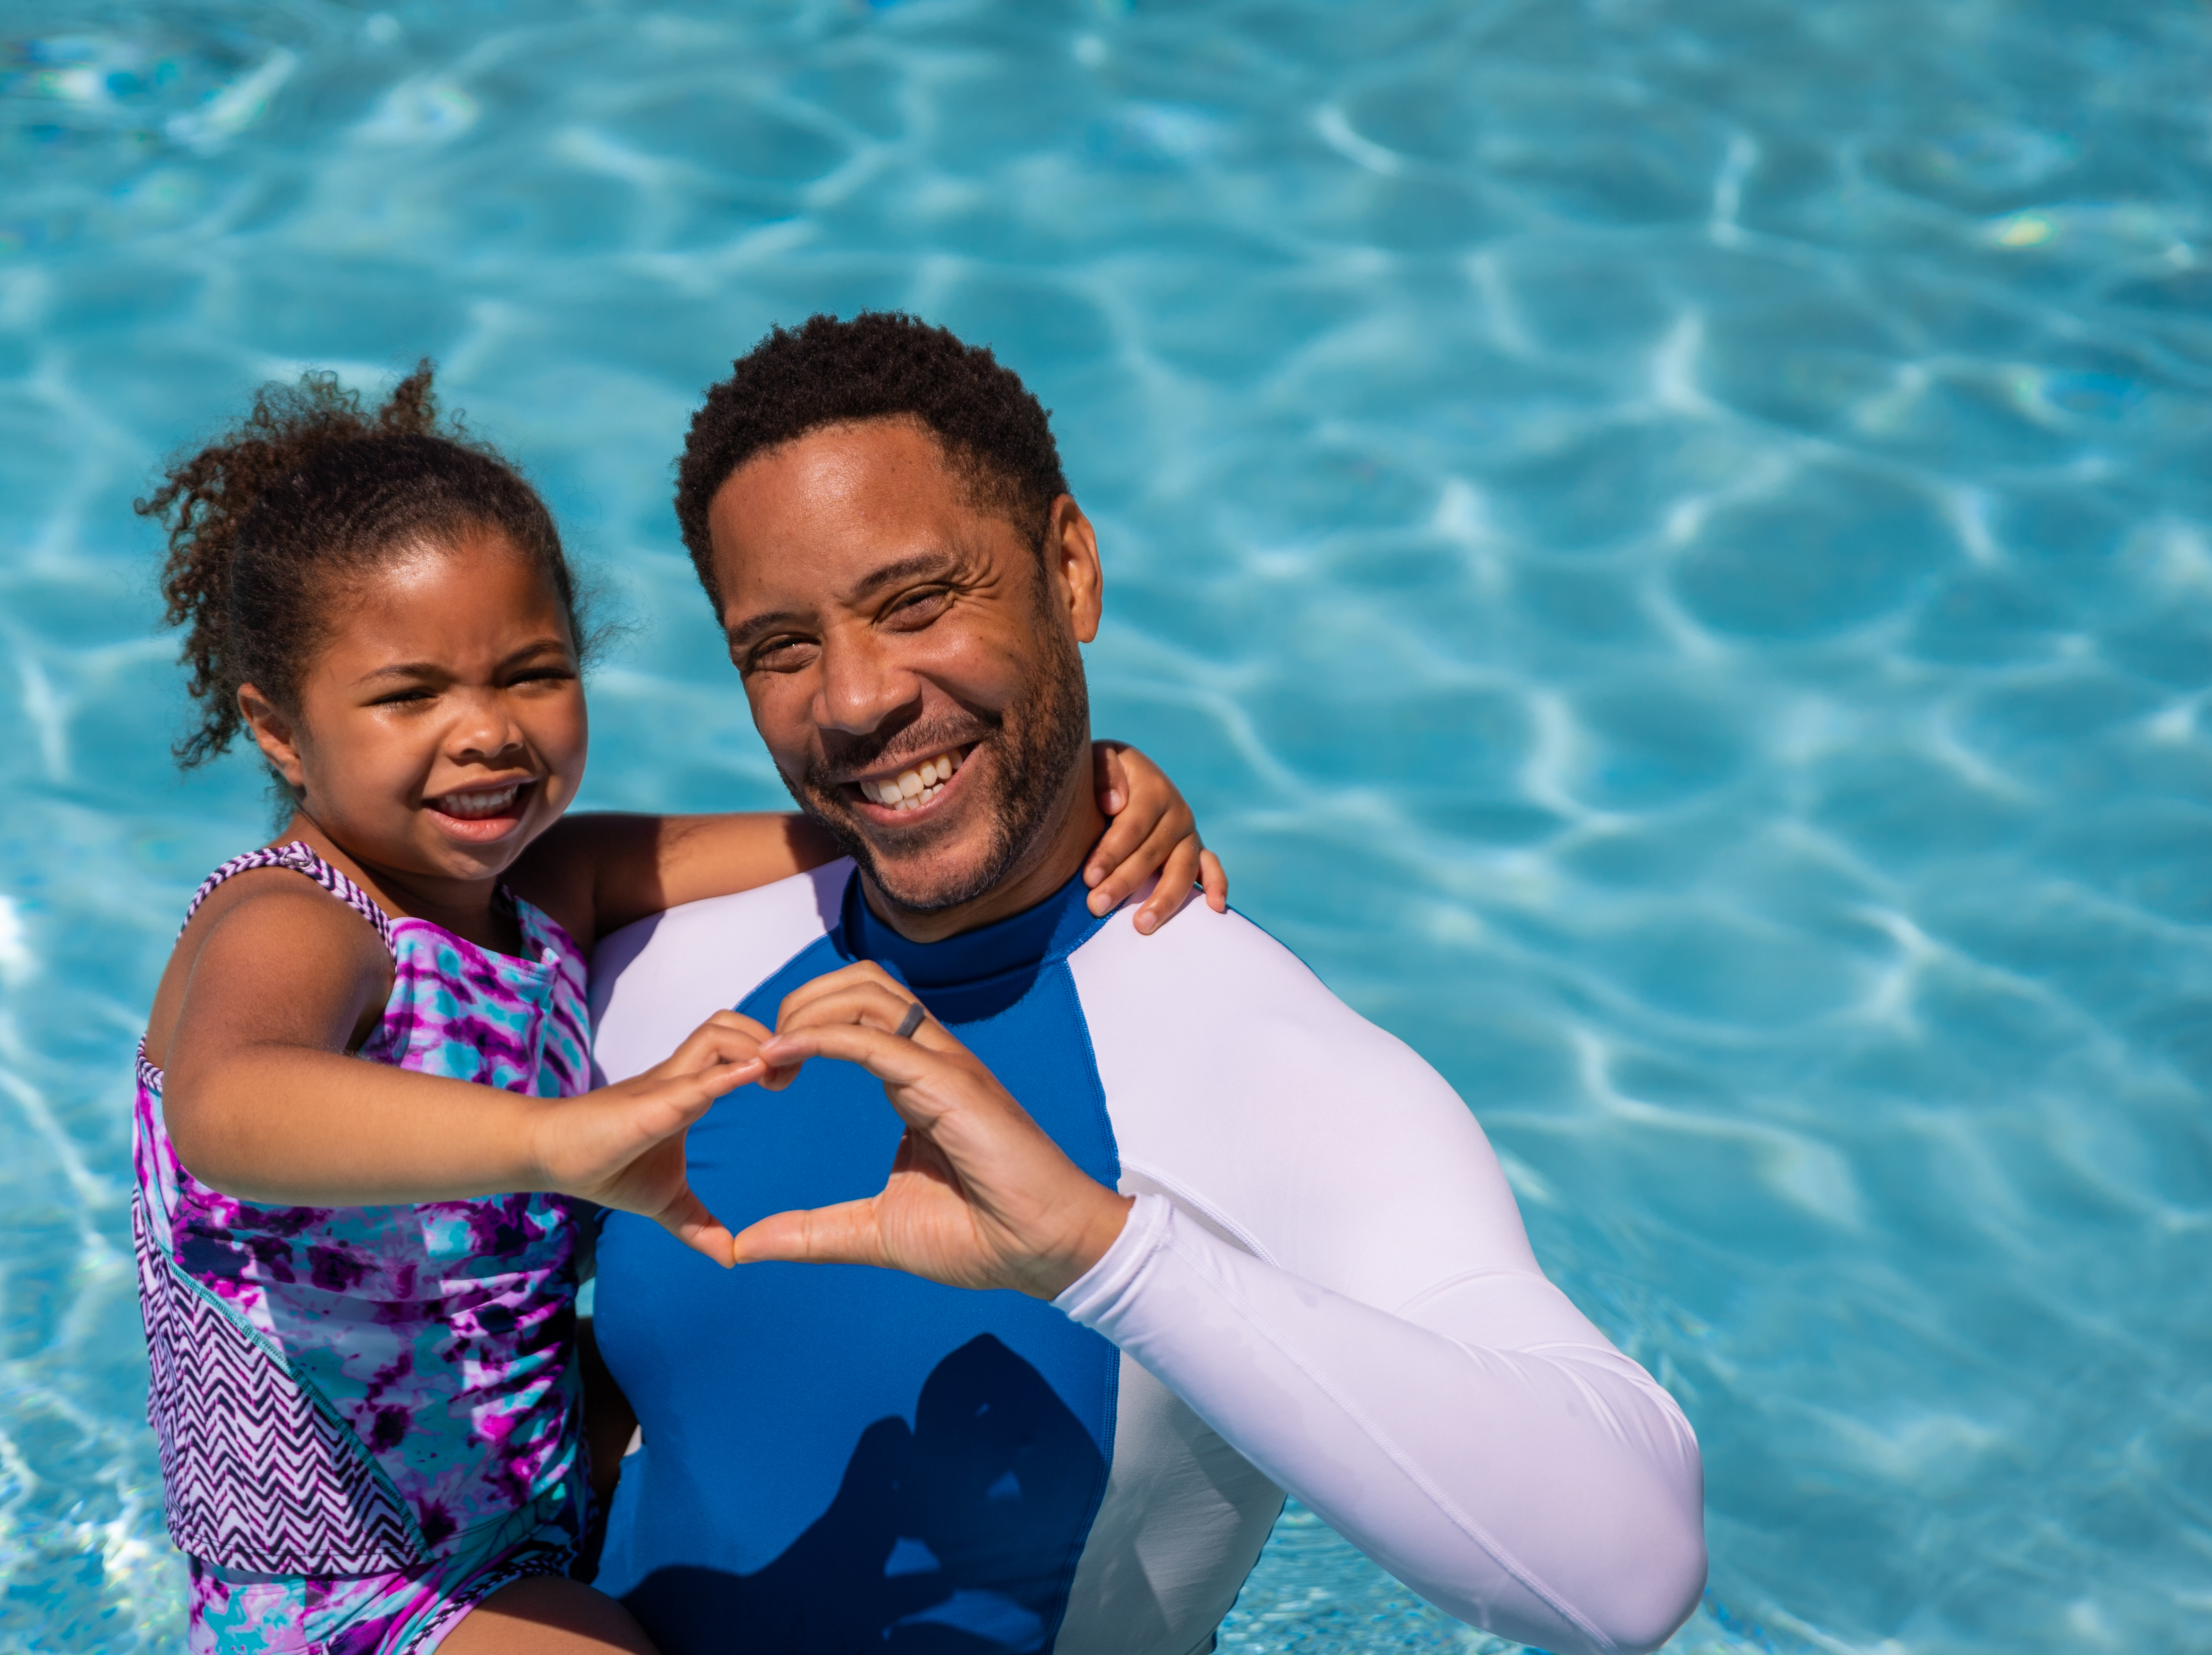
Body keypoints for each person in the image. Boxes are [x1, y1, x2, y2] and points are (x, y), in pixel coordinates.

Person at [582, 314, 1709, 1655]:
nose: (854, 700)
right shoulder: (651, 967)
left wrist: (1098, 1254)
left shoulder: (1268, 1069)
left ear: (1070, 570)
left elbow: (1630, 1572)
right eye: (779, 647)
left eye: (919, 602)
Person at [125, 365, 1223, 1655]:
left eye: (530, 673)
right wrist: (551, 1144)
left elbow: (854, 822)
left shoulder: (554, 888)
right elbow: (226, 1104)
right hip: (327, 1582)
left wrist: (1080, 782)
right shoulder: (296, 917)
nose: (485, 733)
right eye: (409, 697)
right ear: (280, 732)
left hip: (518, 1518)